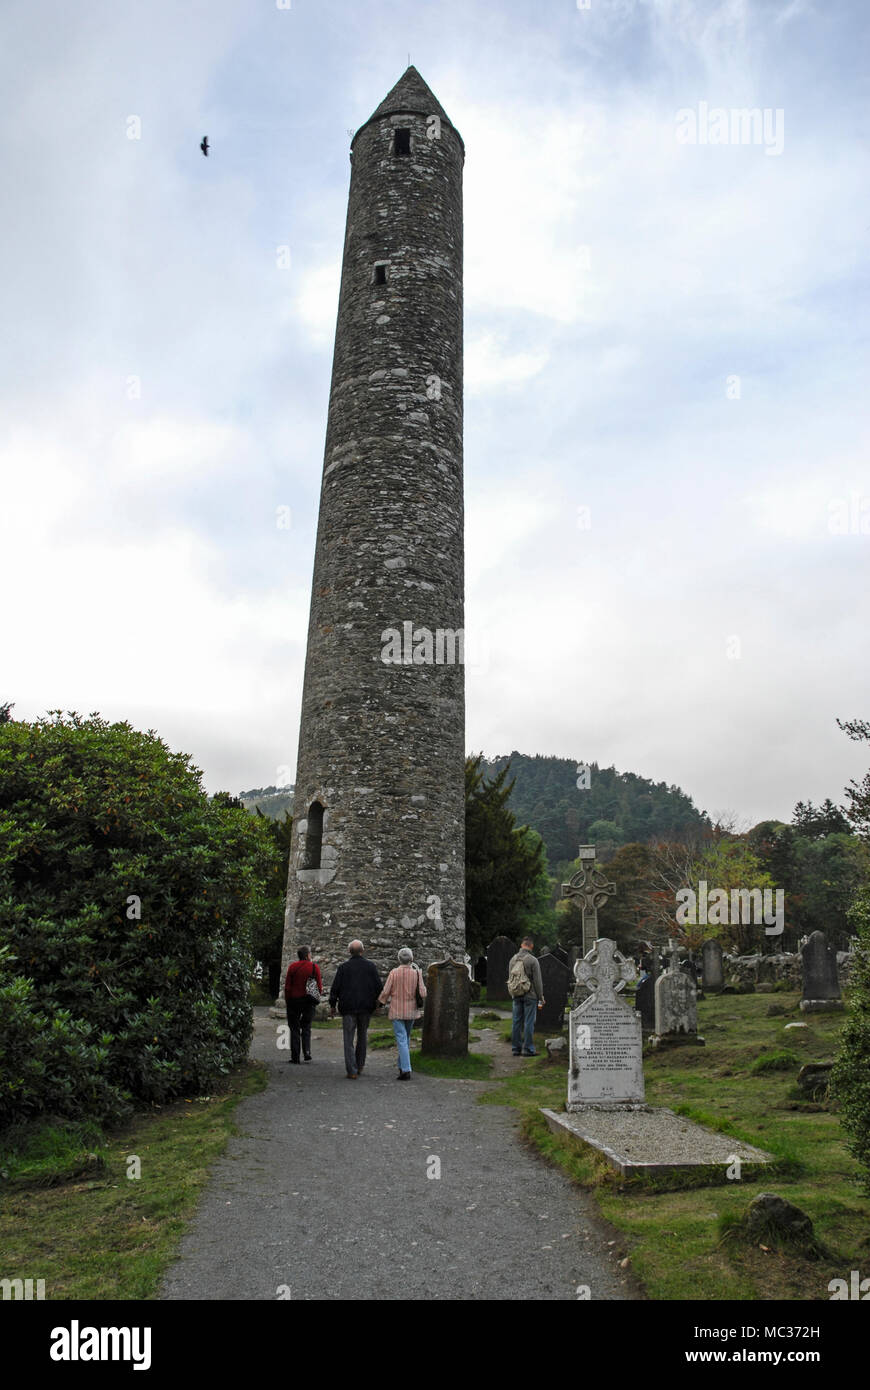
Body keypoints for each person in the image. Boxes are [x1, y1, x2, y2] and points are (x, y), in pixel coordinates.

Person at [329, 940, 383, 1079]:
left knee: (348, 1039)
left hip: (348, 1007)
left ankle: (351, 1070)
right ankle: (359, 1065)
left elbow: (335, 988)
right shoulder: (370, 967)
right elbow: (378, 988)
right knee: (362, 1036)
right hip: (366, 1007)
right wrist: (379, 1005)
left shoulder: (343, 967)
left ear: (349, 952)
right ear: (362, 951)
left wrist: (332, 1005)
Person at [379, 947, 427, 1080]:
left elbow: (386, 991)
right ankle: (402, 1066)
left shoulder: (394, 973)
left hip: (397, 1010)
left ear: (399, 959)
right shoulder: (417, 973)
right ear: (411, 959)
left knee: (401, 1039)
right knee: (405, 1039)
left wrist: (381, 1002)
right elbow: (423, 993)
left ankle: (406, 1070)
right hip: (411, 1010)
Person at [283, 946, 323, 1064]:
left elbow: (287, 987)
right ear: (307, 955)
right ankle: (307, 1052)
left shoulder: (292, 967)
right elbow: (319, 987)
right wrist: (316, 997)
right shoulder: (314, 967)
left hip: (294, 1001)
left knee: (294, 1028)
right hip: (309, 1001)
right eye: (310, 953)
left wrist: (287, 1000)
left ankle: (295, 1056)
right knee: (306, 1026)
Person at [507, 936, 545, 1057]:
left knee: (516, 1022)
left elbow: (510, 978)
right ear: (531, 946)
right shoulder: (533, 960)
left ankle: (515, 1049)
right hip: (530, 995)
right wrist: (541, 997)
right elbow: (538, 982)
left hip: (516, 994)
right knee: (529, 1022)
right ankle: (528, 1049)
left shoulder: (512, 960)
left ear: (521, 945)